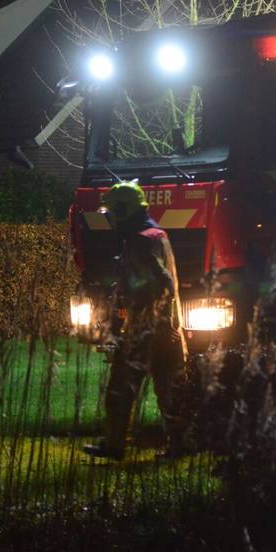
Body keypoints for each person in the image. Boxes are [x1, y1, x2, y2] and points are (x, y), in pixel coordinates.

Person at [83, 181, 189, 460]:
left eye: (112, 213)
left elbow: (162, 281)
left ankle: (114, 444)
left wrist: (150, 320)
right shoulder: (157, 234)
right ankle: (179, 445)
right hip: (167, 327)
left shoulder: (141, 240)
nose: (110, 220)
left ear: (123, 210)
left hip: (147, 328)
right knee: (169, 388)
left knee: (120, 386)